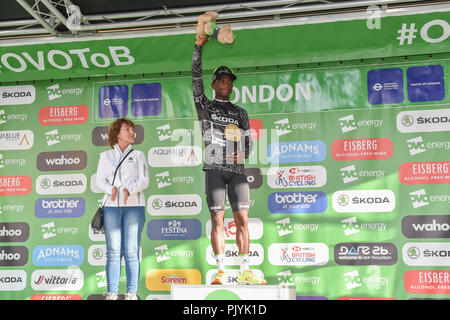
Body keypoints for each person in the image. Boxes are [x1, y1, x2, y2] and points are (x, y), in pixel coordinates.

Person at [192, 32, 266, 285]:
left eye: (230, 81)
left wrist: (244, 152)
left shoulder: (240, 112)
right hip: (214, 167)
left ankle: (246, 269)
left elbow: (248, 141)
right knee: (217, 219)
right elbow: (194, 77)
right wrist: (198, 47)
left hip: (236, 170)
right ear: (213, 84)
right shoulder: (204, 104)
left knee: (243, 219)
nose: (227, 84)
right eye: (222, 81)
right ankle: (221, 270)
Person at [96, 118, 149, 300]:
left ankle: (131, 293)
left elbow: (144, 180)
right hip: (111, 207)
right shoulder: (106, 156)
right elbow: (100, 180)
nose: (132, 132)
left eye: (132, 129)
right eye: (127, 129)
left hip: (134, 207)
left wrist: (130, 189)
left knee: (132, 250)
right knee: (113, 251)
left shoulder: (139, 155)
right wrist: (110, 189)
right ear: (117, 134)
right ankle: (111, 293)